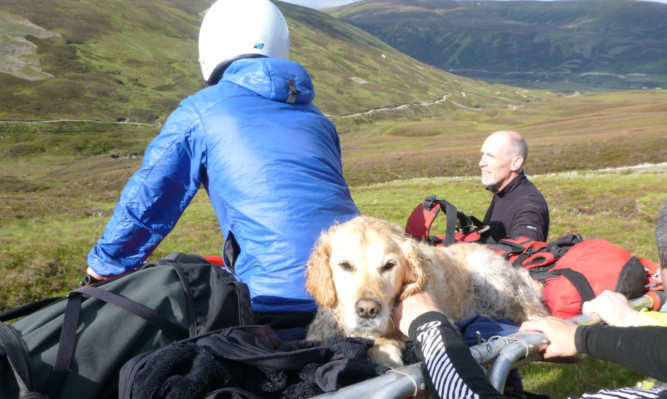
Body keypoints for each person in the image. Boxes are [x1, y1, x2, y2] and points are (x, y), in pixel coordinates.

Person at [85, 0, 359, 327]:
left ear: (211, 46)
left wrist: (106, 266)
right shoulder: (319, 120)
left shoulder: (201, 111)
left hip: (273, 303)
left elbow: (150, 200)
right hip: (360, 292)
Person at [394, 198, 667, 399]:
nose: (482, 161)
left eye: (488, 155)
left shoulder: (527, 202)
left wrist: (429, 326)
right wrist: (585, 338)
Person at [479, 130, 549, 242]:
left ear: (516, 163)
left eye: (491, 157)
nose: (481, 163)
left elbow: (523, 252)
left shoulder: (529, 206)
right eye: (482, 155)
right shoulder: (502, 191)